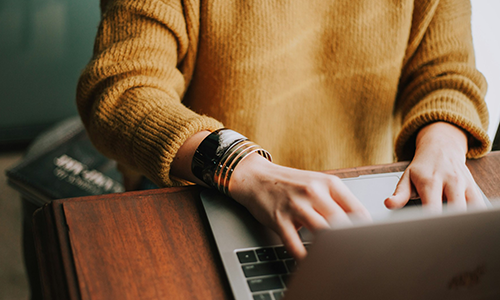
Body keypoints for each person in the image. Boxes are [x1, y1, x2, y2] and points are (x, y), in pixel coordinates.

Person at [77, 0, 491, 260]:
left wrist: (444, 142)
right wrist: (243, 168)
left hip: (364, 207)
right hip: (207, 197)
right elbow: (121, 90)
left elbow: (448, 73)